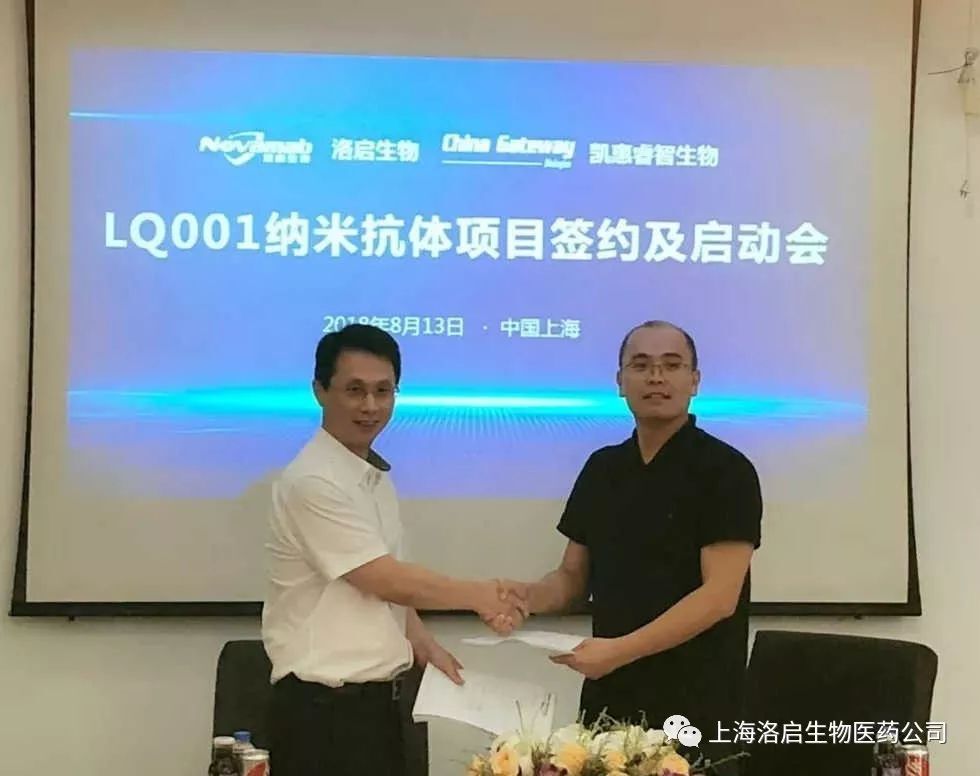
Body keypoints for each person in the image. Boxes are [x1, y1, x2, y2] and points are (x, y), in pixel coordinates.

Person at [262, 324, 524, 776]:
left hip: (380, 708)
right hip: (323, 716)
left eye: (383, 391)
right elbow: (382, 578)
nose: (370, 406)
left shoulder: (371, 476)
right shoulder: (313, 481)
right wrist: (482, 595)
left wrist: (425, 645)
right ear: (320, 391)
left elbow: (386, 592)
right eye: (355, 391)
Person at [508, 320, 762, 771]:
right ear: (620, 381)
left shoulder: (726, 471)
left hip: (697, 699)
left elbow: (719, 597)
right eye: (641, 365)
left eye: (671, 365)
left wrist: (618, 651)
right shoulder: (603, 469)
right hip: (610, 697)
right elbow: (571, 578)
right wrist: (524, 598)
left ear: (695, 380)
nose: (656, 377)